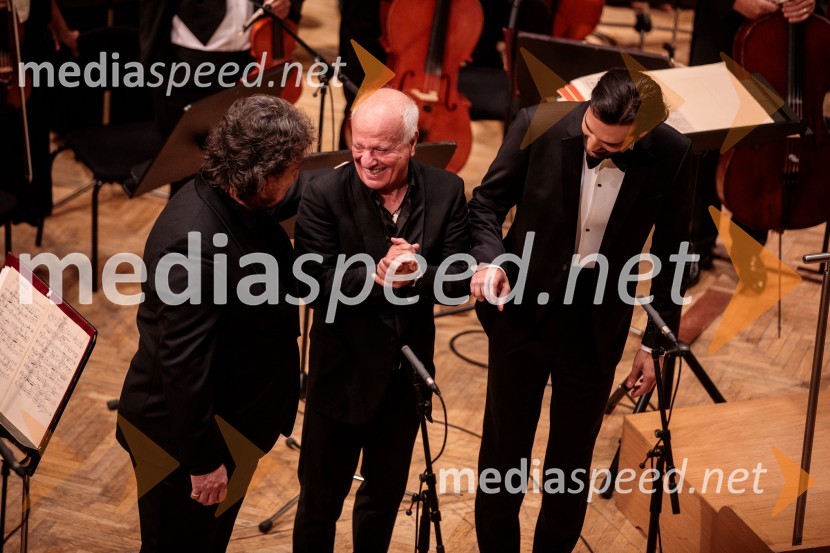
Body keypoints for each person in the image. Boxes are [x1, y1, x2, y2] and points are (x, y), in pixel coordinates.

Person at [468, 68, 693, 552]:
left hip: (595, 328)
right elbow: (485, 204)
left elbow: (675, 257)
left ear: (645, 133)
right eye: (590, 131)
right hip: (521, 314)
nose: (593, 147)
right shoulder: (539, 123)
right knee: (503, 457)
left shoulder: (674, 154)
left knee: (569, 468)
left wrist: (655, 345)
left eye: (611, 146)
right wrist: (488, 263)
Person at [116, 94, 314, 552]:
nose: (296, 179)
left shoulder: (235, 190)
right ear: (262, 176)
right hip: (182, 444)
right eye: (292, 171)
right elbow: (183, 366)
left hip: (233, 422)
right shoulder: (193, 246)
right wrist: (203, 462)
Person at [292, 88, 470, 552]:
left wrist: (414, 274)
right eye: (359, 146)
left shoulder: (448, 190)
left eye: (382, 149)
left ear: (412, 143)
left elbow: (455, 280)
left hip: (403, 381)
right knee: (319, 504)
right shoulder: (322, 192)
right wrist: (375, 276)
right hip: (340, 376)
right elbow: (311, 280)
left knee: (382, 499)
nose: (367, 160)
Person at [687, 0, 818, 287]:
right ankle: (694, 245)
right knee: (707, 140)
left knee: (767, 135)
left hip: (786, 32)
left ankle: (749, 245)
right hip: (720, 31)